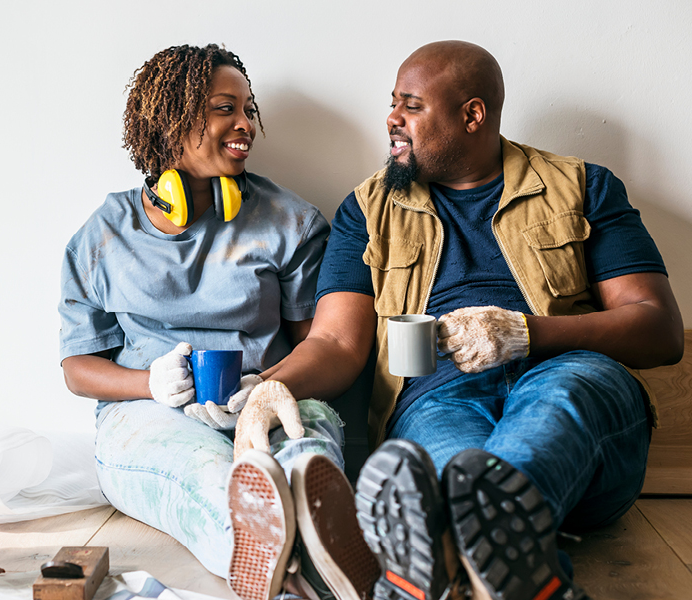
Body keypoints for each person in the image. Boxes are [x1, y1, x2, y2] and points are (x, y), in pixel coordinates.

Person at [232, 40, 684, 600]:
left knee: (554, 405)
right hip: (437, 400)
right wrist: (271, 387)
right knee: (444, 475)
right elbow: (335, 341)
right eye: (393, 103)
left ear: (473, 115)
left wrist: (525, 334)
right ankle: (497, 563)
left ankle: (439, 552)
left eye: (412, 106)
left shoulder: (584, 187)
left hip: (571, 380)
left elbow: (659, 329)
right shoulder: (366, 210)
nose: (392, 119)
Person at [57, 44, 379, 600]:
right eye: (223, 108)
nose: (245, 125)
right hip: (150, 418)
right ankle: (271, 550)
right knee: (209, 479)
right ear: (168, 119)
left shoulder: (291, 221)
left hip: (269, 396)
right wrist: (151, 385)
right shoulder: (103, 234)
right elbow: (77, 368)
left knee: (307, 443)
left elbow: (320, 346)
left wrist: (271, 386)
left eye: (248, 109)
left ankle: (317, 533)